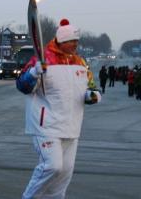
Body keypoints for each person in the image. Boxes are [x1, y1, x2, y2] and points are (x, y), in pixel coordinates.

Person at [16, 19, 101, 199]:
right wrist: (33, 73)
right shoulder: (42, 60)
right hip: (46, 125)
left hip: (72, 126)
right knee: (52, 166)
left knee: (64, 174)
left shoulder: (80, 62)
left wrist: (92, 95)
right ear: (61, 41)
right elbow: (23, 86)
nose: (75, 45)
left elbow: (90, 87)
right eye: (71, 41)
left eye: (77, 41)